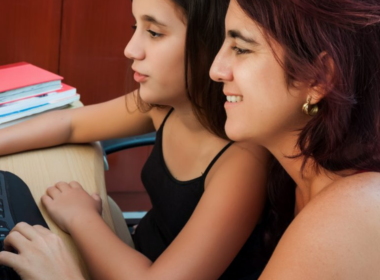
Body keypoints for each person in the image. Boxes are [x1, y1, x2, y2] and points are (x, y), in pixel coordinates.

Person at [0, 0, 293, 279]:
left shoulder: (244, 161)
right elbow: (70, 123)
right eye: (135, 28)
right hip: (134, 253)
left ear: (212, 44)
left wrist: (80, 217)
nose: (130, 49)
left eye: (154, 32)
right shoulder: (163, 104)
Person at [210, 0, 380, 278]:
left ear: (319, 78)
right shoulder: (289, 174)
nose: (216, 70)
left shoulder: (350, 212)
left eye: (240, 48)